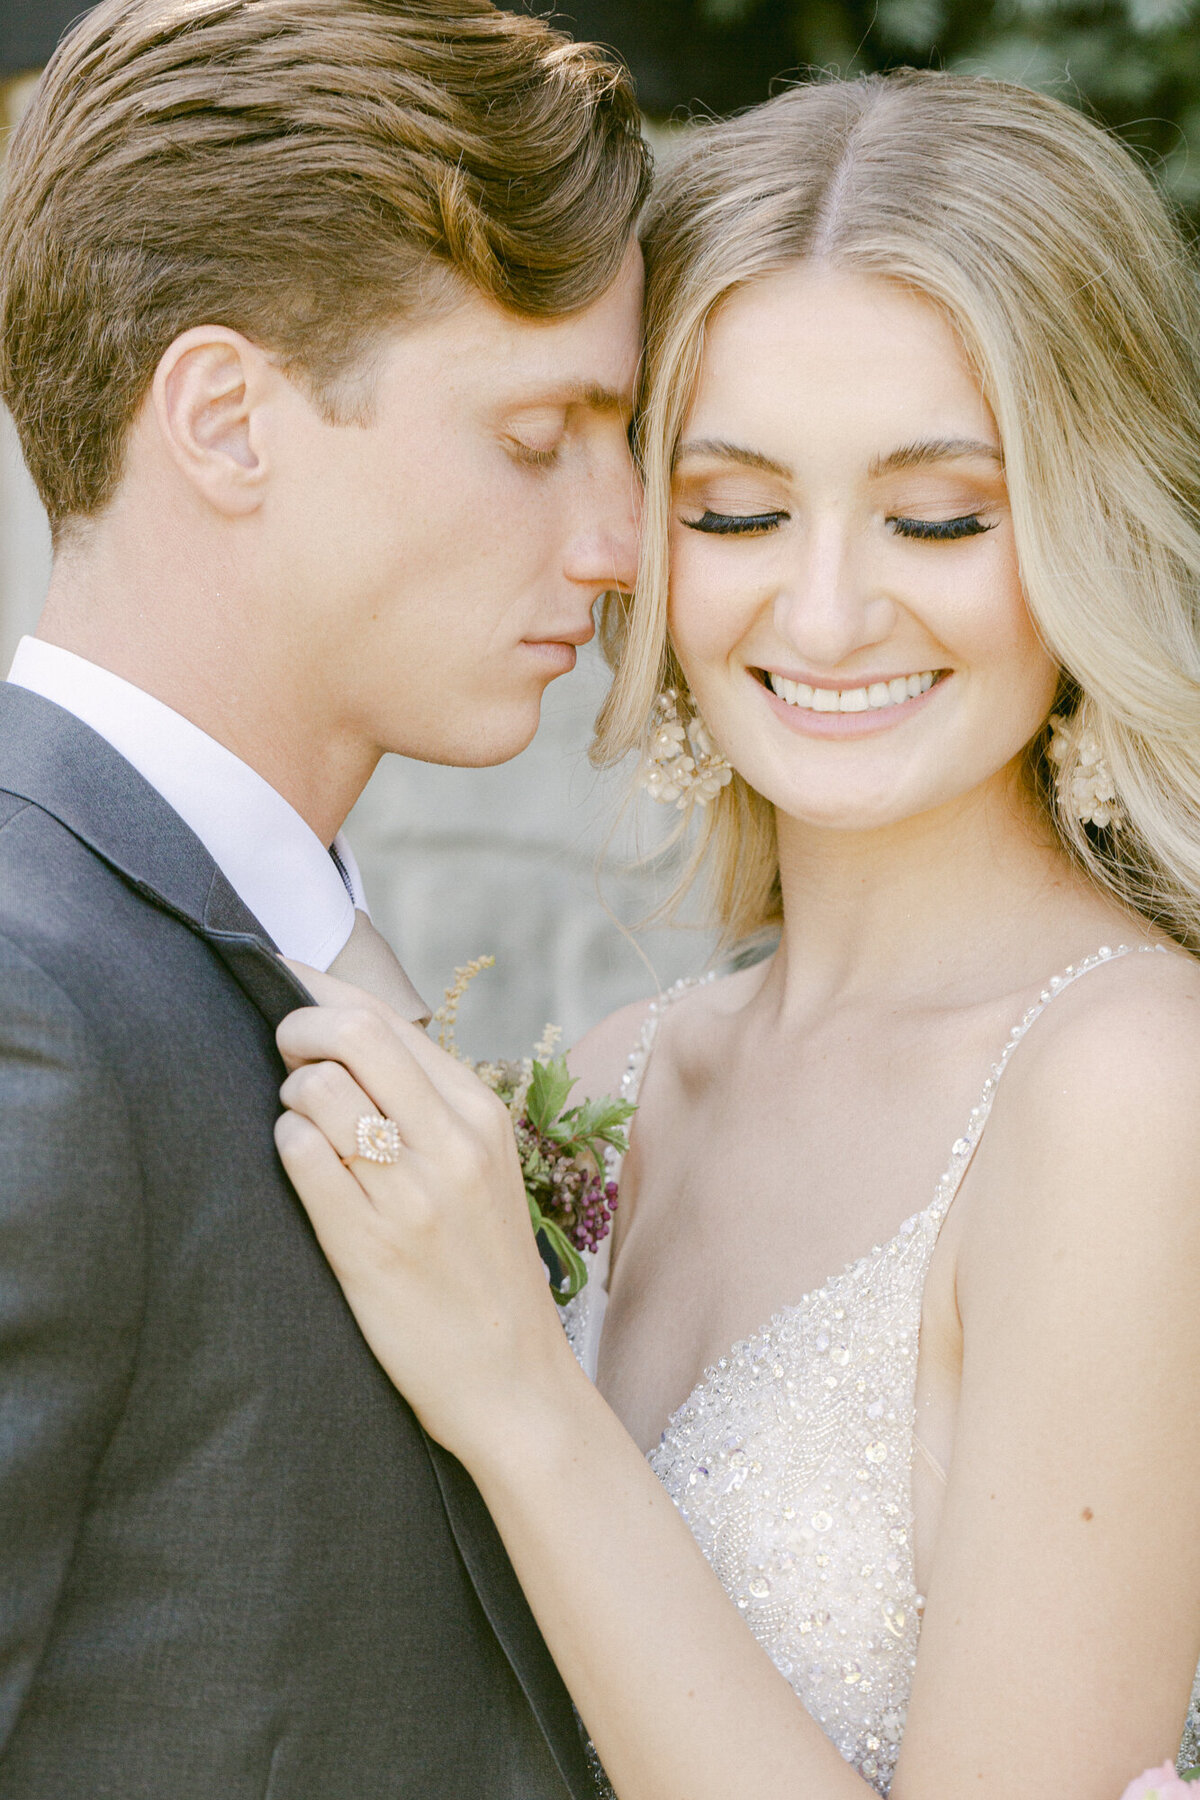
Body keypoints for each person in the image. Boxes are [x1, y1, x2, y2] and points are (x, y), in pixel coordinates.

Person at [274, 71, 1200, 1799]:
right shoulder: (620, 1080)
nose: (830, 609)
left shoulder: (1129, 1092)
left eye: (940, 516)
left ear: (1084, 522)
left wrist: (522, 1401)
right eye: (737, 510)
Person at [0, 0, 648, 1793]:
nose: (615, 543)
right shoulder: (26, 1003)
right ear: (226, 421)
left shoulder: (243, 938)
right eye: (538, 439)